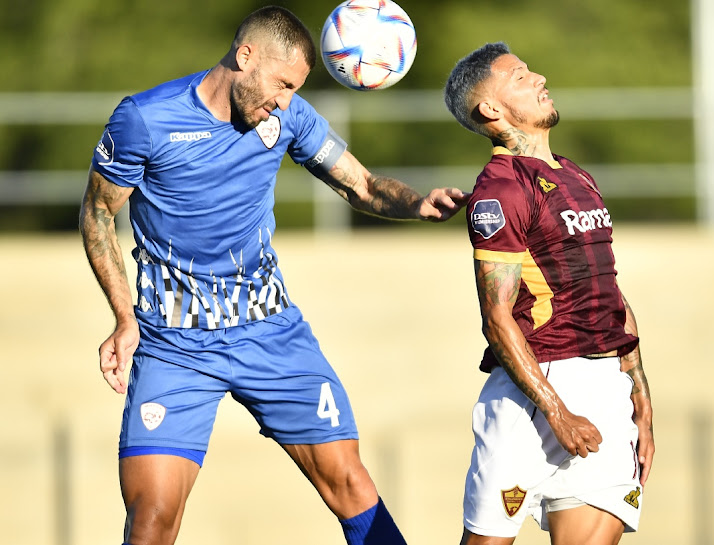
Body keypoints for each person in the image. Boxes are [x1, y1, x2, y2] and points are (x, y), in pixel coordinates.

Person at [79, 6, 469, 545]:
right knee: (152, 519)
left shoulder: (290, 117)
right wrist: (124, 317)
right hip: (174, 344)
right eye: (283, 84)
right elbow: (99, 212)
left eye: (295, 90)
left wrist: (419, 202)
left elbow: (362, 185)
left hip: (271, 333)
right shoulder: (145, 119)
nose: (285, 102)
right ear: (246, 56)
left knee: (351, 484)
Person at [443, 42, 655, 545]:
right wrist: (557, 411)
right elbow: (496, 318)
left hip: (605, 384)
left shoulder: (577, 175)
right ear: (491, 109)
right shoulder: (500, 189)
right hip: (535, 390)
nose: (538, 77)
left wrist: (640, 393)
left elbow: (609, 292)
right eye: (518, 77)